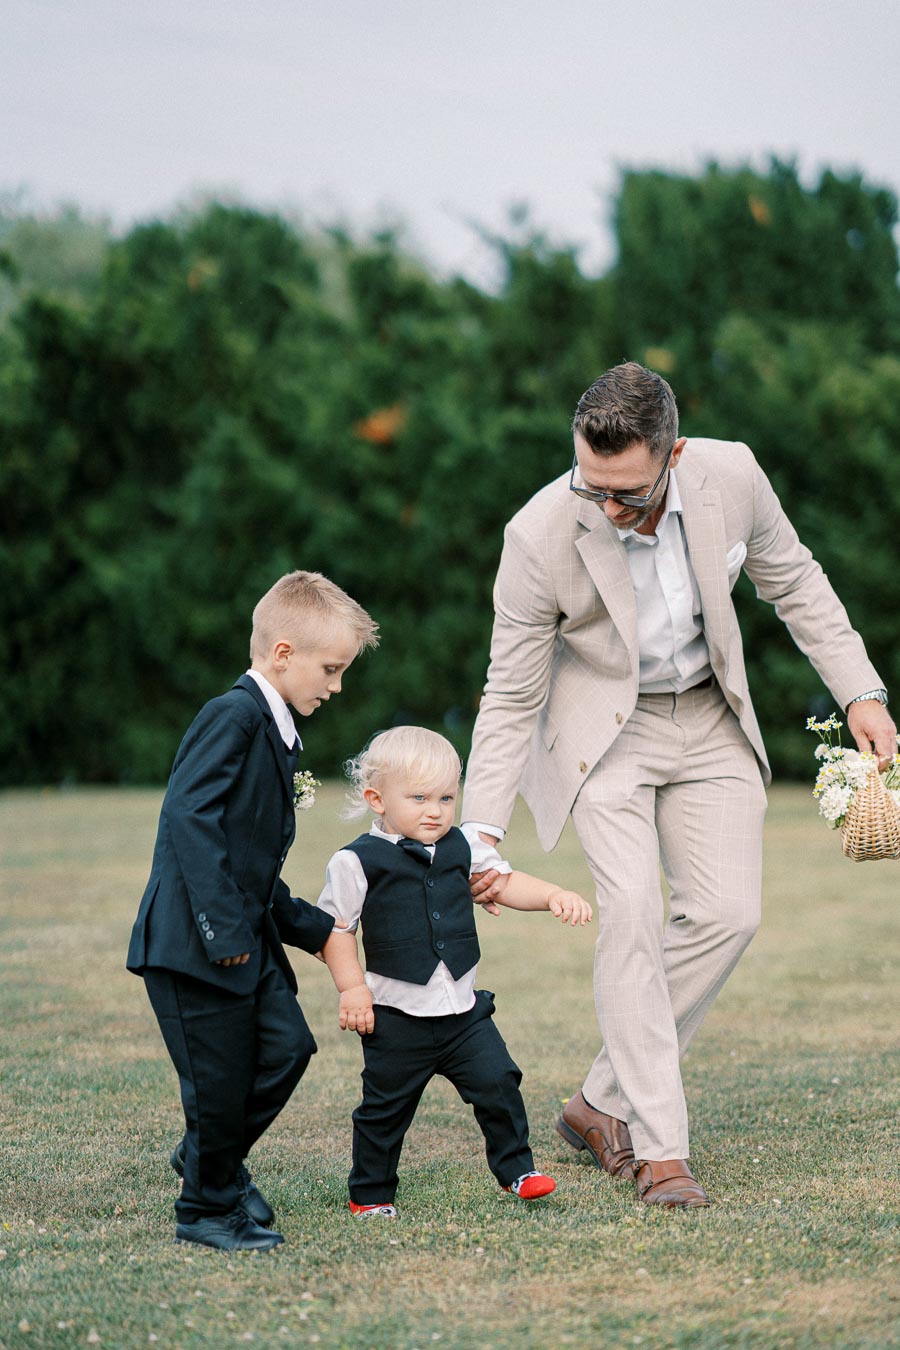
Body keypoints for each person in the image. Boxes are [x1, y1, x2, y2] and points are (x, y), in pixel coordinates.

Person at [462, 362, 895, 1208]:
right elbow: (510, 693)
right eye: (592, 485)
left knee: (731, 913)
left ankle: (597, 1103)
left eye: (625, 492)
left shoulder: (731, 475)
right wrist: (481, 829)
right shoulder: (538, 533)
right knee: (630, 913)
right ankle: (662, 1152)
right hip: (604, 736)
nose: (606, 506)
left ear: (675, 453)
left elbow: (796, 583)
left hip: (709, 717)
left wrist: (862, 691)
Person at [127, 570, 378, 1250]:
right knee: (219, 1082)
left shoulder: (276, 731)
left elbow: (251, 860)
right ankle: (206, 1210)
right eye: (330, 669)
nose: (336, 685)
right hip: (197, 944)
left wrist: (314, 928)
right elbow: (188, 815)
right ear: (284, 653)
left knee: (287, 1049)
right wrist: (221, 927)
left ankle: (209, 1157)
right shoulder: (233, 715)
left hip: (247, 938)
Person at [317, 725, 592, 1217]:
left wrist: (551, 895)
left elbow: (503, 883)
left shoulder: (463, 845)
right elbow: (337, 929)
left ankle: (517, 1171)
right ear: (377, 799)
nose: (436, 810)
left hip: (462, 1013)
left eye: (446, 796)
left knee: (499, 1081)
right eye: (419, 797)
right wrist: (352, 986)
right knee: (384, 1112)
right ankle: (371, 1195)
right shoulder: (356, 861)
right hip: (397, 1017)